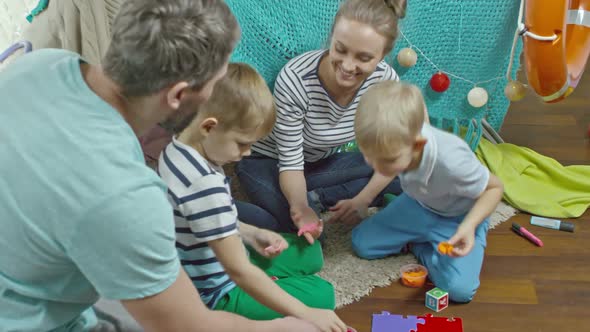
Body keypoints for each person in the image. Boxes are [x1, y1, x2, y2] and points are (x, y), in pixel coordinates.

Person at [0, 0, 318, 331]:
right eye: (216, 82)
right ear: (179, 94)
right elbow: (190, 326)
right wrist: (295, 324)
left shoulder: (42, 64)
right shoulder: (126, 197)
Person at [158, 63, 347, 332]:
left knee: (312, 253)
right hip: (216, 294)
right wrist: (307, 313)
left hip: (219, 252)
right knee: (322, 295)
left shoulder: (176, 148)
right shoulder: (203, 184)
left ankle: (270, 276)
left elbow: (206, 221)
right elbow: (239, 271)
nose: (247, 153)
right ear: (209, 127)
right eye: (242, 143)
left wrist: (250, 233)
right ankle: (271, 285)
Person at [235, 0, 409, 242]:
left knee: (408, 175)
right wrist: (300, 208)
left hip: (319, 164)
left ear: (383, 55)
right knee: (305, 233)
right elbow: (291, 163)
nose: (348, 66)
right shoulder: (296, 79)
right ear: (332, 37)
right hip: (269, 162)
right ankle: (316, 197)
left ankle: (319, 194)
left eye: (364, 58)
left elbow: (392, 154)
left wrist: (363, 200)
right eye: (340, 49)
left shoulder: (385, 81)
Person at [351, 81, 504, 302]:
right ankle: (419, 239)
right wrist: (362, 198)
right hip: (419, 204)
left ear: (418, 146)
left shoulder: (452, 161)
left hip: (459, 217)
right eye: (369, 156)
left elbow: (494, 188)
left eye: (388, 160)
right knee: (361, 243)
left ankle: (422, 241)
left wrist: (469, 226)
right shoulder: (394, 143)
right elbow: (389, 159)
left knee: (459, 290)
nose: (377, 166)